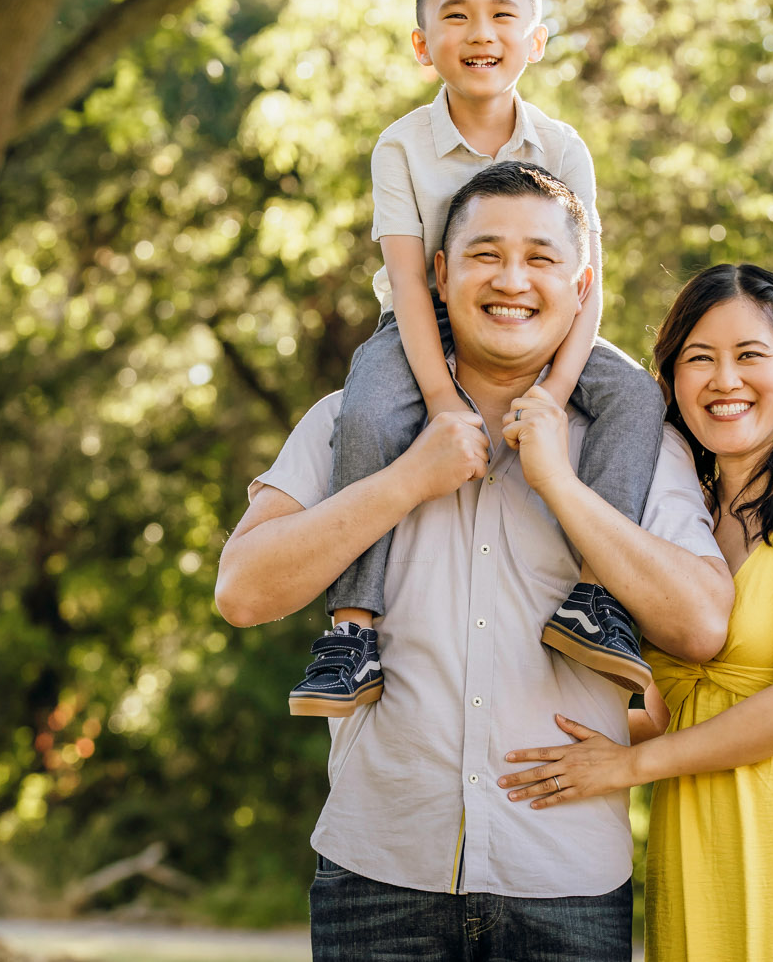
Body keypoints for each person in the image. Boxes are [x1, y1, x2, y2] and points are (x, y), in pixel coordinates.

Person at [214, 162, 735, 962]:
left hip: (565, 879)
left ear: (581, 283)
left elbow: (701, 623)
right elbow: (242, 590)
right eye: (486, 253)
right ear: (439, 274)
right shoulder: (355, 420)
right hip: (378, 869)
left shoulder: (639, 443)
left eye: (539, 257)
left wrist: (560, 482)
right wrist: (404, 480)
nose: (512, 280)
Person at [287, 0, 668, 718]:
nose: (481, 33)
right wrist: (441, 396)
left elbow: (587, 285)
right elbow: (405, 279)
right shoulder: (401, 146)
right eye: (457, 16)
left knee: (636, 396)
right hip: (423, 326)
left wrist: (556, 392)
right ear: (425, 45)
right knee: (365, 410)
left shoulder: (562, 146)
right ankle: (352, 630)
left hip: (546, 331)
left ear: (536, 39)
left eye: (502, 14)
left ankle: (596, 601)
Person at [498, 263, 773, 961]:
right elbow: (666, 708)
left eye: (750, 355)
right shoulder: (677, 521)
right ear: (670, 381)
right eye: (699, 359)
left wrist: (630, 768)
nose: (724, 380)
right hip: (697, 837)